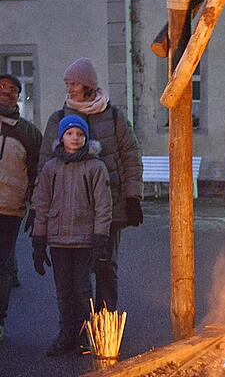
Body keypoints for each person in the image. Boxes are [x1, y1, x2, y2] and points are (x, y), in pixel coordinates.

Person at [37, 58, 143, 312]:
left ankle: (106, 325)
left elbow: (131, 156)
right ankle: (79, 328)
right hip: (70, 210)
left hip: (110, 205)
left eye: (73, 83)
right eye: (67, 83)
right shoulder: (60, 117)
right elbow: (44, 164)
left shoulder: (114, 117)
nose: (69, 88)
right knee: (74, 275)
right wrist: (35, 208)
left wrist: (132, 197)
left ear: (87, 85)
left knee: (105, 265)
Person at [32, 115, 112, 356]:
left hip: (84, 240)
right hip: (58, 240)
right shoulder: (51, 168)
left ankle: (87, 335)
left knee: (83, 290)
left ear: (86, 137)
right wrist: (38, 240)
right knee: (63, 290)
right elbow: (42, 204)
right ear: (62, 137)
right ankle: (67, 333)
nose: (75, 138)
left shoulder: (95, 167)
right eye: (70, 133)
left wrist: (100, 239)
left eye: (79, 134)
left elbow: (103, 206)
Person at [0, 74, 42, 343]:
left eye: (13, 90)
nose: (6, 93)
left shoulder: (28, 132)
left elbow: (38, 173)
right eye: (1, 88)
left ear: (18, 96)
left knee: (1, 266)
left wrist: (35, 208)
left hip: (9, 209)